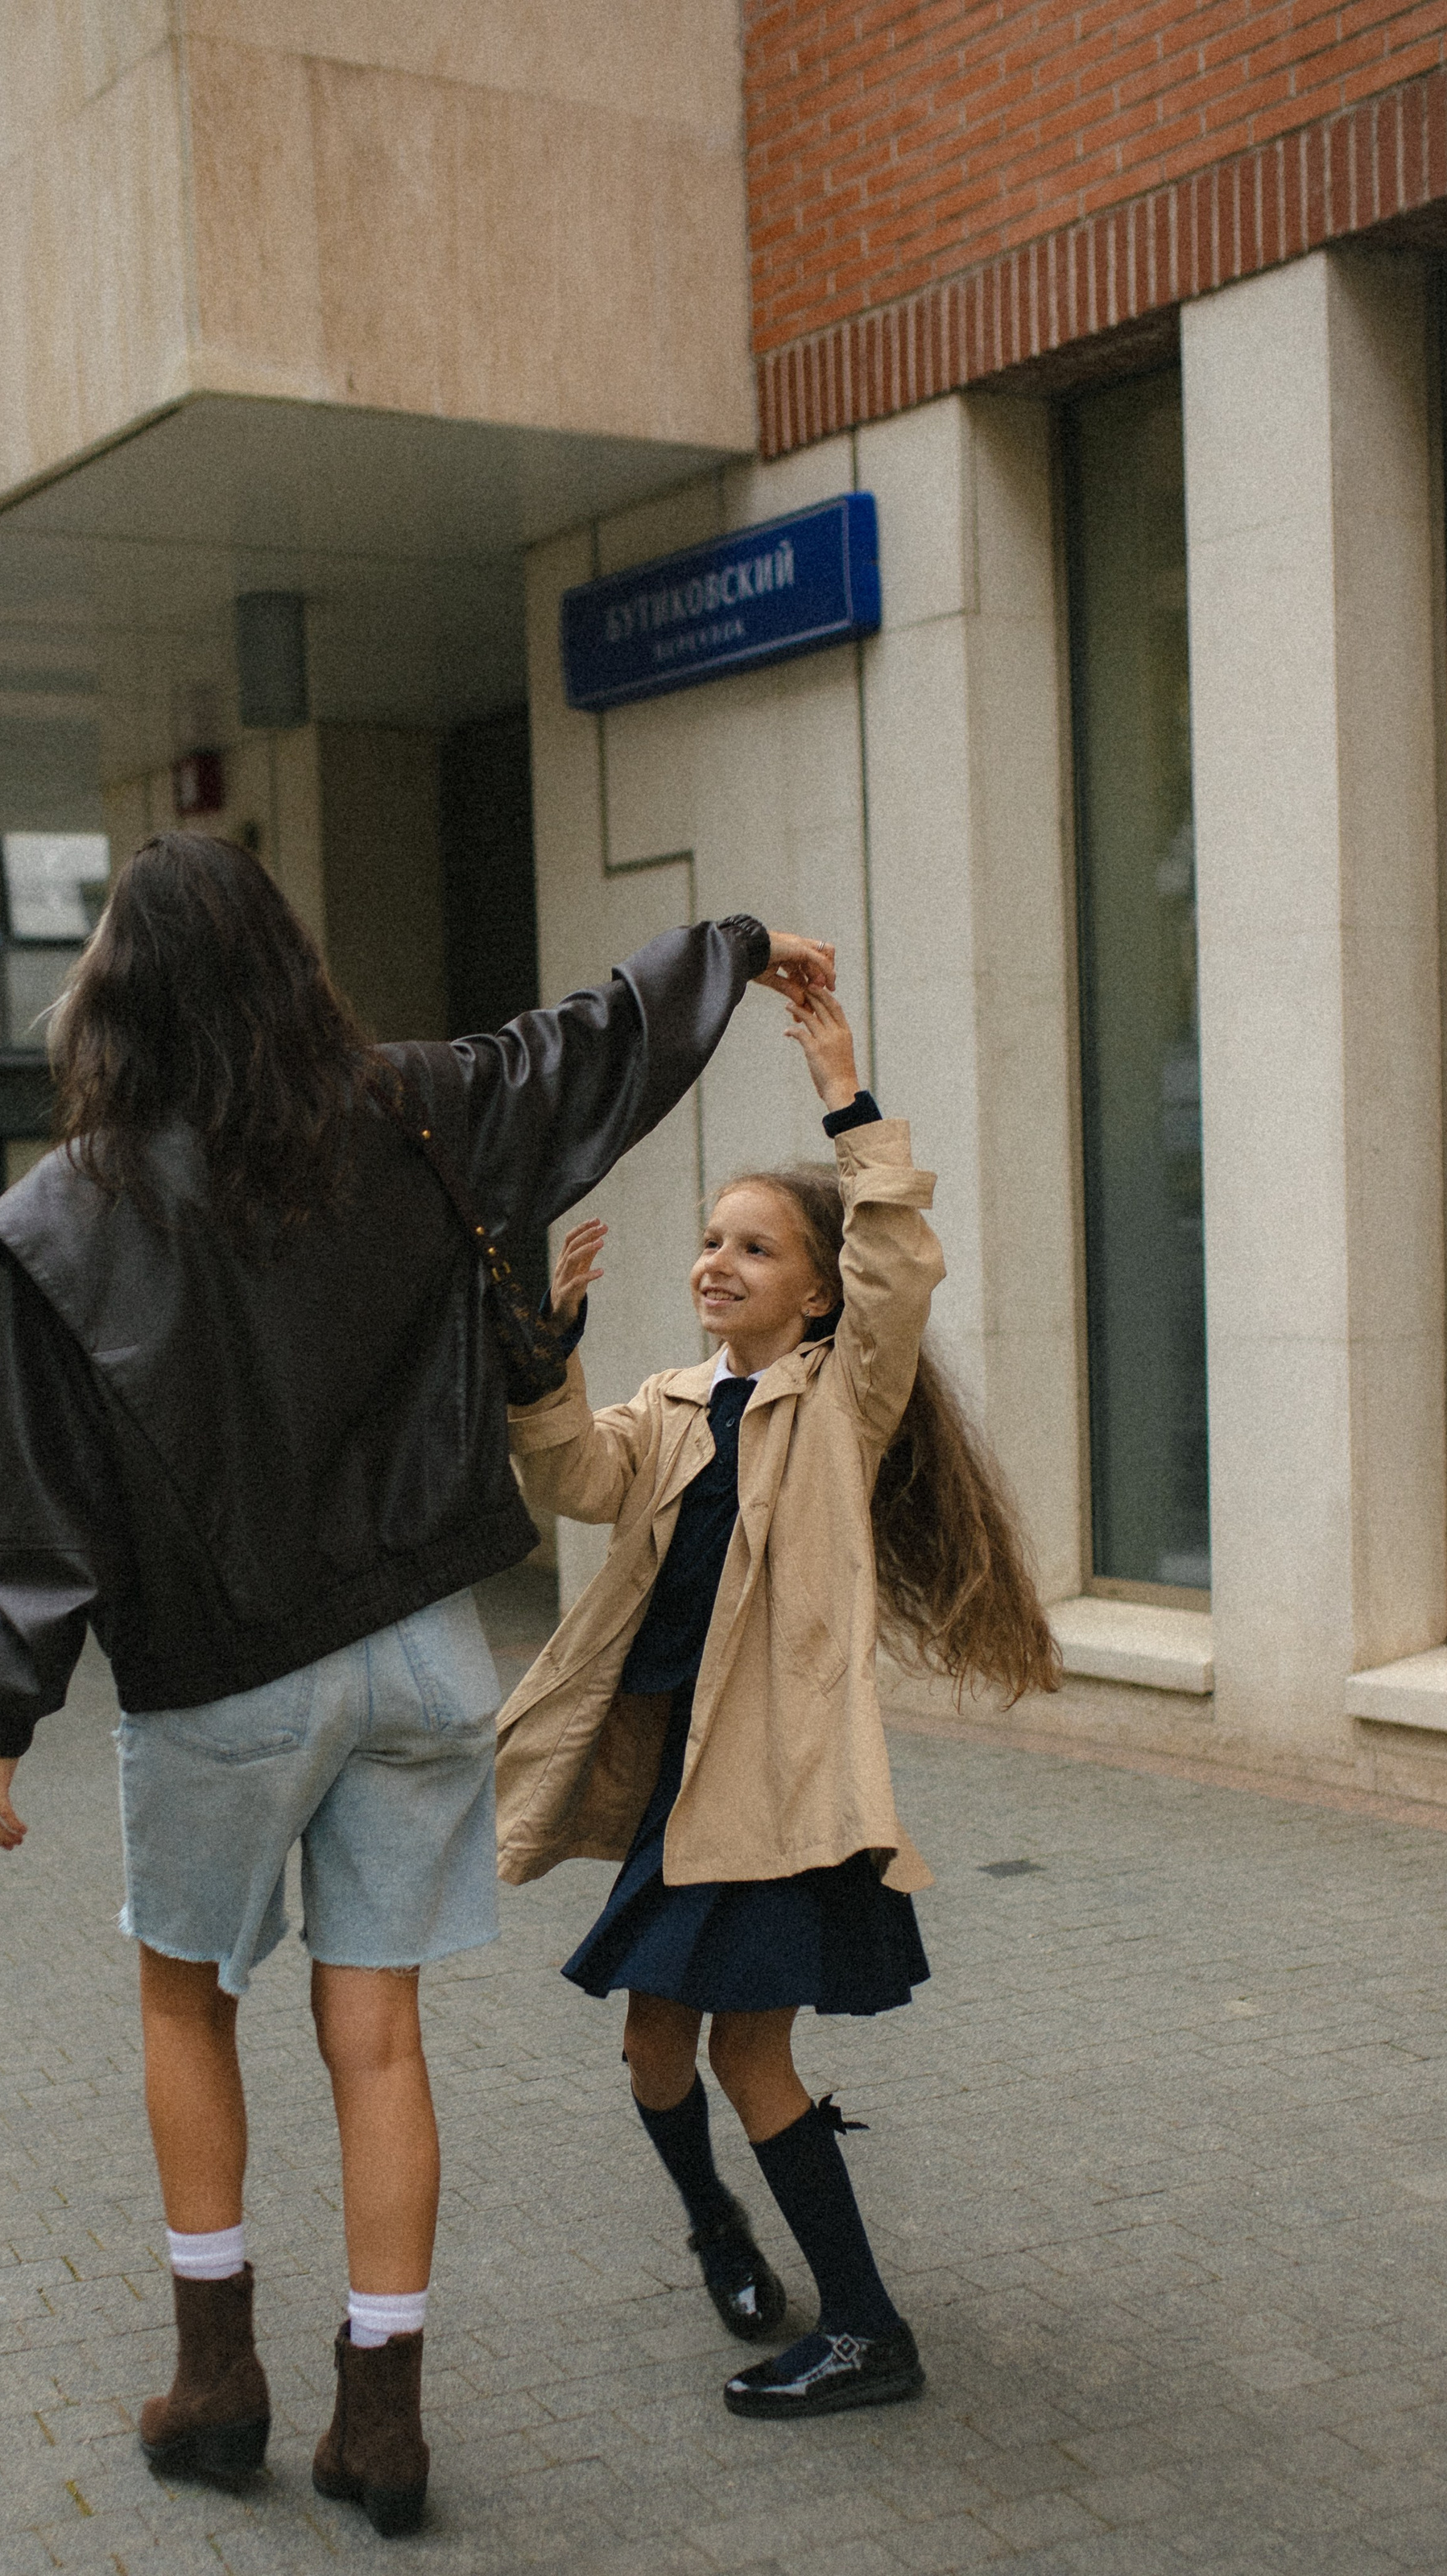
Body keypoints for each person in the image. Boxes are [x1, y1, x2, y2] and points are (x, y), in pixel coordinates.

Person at [0, 830, 837, 2533]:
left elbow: (48, 1496)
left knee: (181, 1995)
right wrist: (731, 945)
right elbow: (591, 1042)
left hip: (223, 1676)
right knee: (376, 2031)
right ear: (288, 965)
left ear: (115, 995)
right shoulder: (414, 1105)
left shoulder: (73, 1208)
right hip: (426, 1649)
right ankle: (382, 2422)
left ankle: (217, 2384)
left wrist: (5, 1713)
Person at [494, 980, 1059, 2421]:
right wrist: (544, 1355)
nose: (717, 1262)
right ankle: (716, 2230)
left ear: (816, 1290)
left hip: (777, 1783)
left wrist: (847, 1091)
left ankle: (868, 2327)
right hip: (676, 1784)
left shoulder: (837, 1404)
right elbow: (568, 1477)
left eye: (755, 1247)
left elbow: (901, 1275)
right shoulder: (673, 1407)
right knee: (647, 2044)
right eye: (708, 1241)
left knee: (748, 2047)